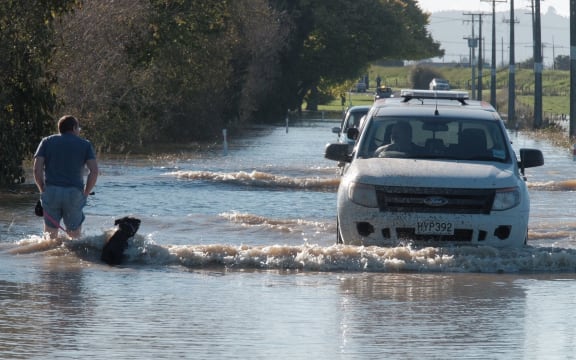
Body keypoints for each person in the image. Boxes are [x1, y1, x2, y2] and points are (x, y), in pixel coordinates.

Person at [33, 115, 99, 239]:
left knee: (49, 237)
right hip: (74, 193)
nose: (79, 130)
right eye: (78, 128)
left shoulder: (46, 141)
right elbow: (94, 171)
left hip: (51, 191)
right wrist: (86, 193)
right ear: (74, 128)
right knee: (75, 238)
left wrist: (42, 190)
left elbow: (37, 170)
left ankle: (49, 257)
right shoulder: (85, 144)